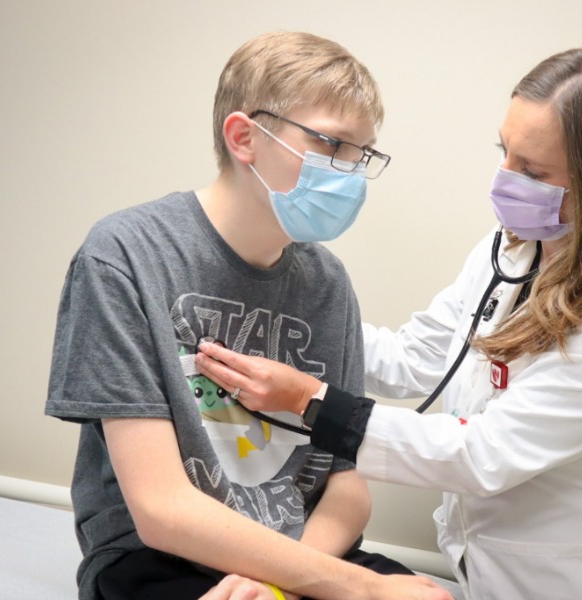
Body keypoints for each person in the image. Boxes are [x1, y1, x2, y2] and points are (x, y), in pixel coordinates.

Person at [194, 47, 582, 600]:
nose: (503, 180)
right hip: (484, 567)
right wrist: (286, 324)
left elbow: (485, 454)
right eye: (505, 152)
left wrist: (310, 399)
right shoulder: (509, 252)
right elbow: (418, 356)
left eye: (533, 170)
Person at [46, 31, 453, 600]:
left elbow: (346, 488)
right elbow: (161, 509)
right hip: (162, 555)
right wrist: (357, 589)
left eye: (361, 153)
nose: (349, 173)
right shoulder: (125, 254)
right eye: (332, 145)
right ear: (244, 138)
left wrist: (284, 583)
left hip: (299, 548)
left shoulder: (327, 282)